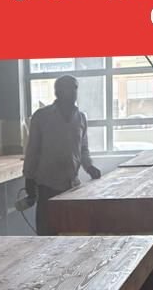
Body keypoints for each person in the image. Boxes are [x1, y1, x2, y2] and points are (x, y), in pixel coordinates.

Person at [23, 75, 102, 235]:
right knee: (47, 234)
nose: (72, 93)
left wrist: (89, 167)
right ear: (57, 92)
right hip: (47, 186)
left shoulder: (81, 118)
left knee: (72, 233)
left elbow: (83, 148)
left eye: (74, 88)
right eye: (67, 88)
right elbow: (33, 150)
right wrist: (29, 178)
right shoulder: (42, 117)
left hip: (72, 186)